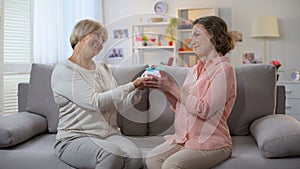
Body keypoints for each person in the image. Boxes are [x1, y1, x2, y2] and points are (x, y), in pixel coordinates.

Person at [51, 19, 149, 169]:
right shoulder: (64, 70)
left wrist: (139, 89)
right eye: (97, 35)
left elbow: (120, 105)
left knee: (134, 158)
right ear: (81, 36)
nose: (101, 41)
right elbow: (94, 102)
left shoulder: (103, 68)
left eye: (103, 39)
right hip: (75, 138)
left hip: (109, 135)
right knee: (111, 154)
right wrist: (131, 85)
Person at [144, 16, 237, 169]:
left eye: (196, 34)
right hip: (186, 139)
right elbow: (182, 105)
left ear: (213, 35)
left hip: (212, 142)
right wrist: (165, 88)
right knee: (152, 159)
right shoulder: (194, 70)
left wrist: (173, 87)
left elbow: (204, 110)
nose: (191, 40)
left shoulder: (224, 70)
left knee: (171, 165)